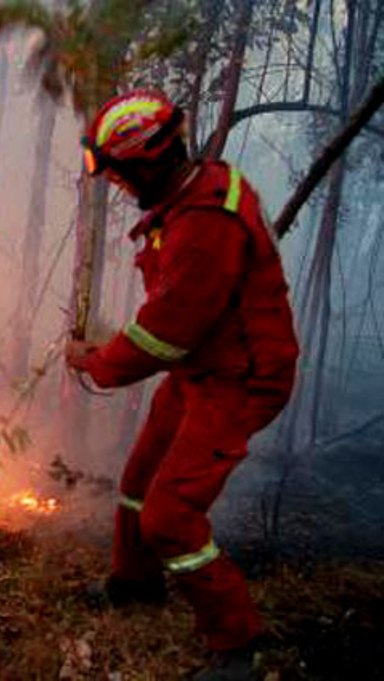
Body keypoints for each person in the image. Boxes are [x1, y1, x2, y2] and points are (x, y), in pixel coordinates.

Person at [65, 90, 299, 681]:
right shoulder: (197, 189)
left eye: (120, 175)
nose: (116, 187)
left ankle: (235, 647)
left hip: (240, 381)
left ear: (150, 164)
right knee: (139, 480)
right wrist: (110, 352)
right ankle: (135, 584)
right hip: (204, 367)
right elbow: (176, 327)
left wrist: (95, 363)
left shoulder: (205, 226)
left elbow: (164, 335)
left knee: (169, 516)